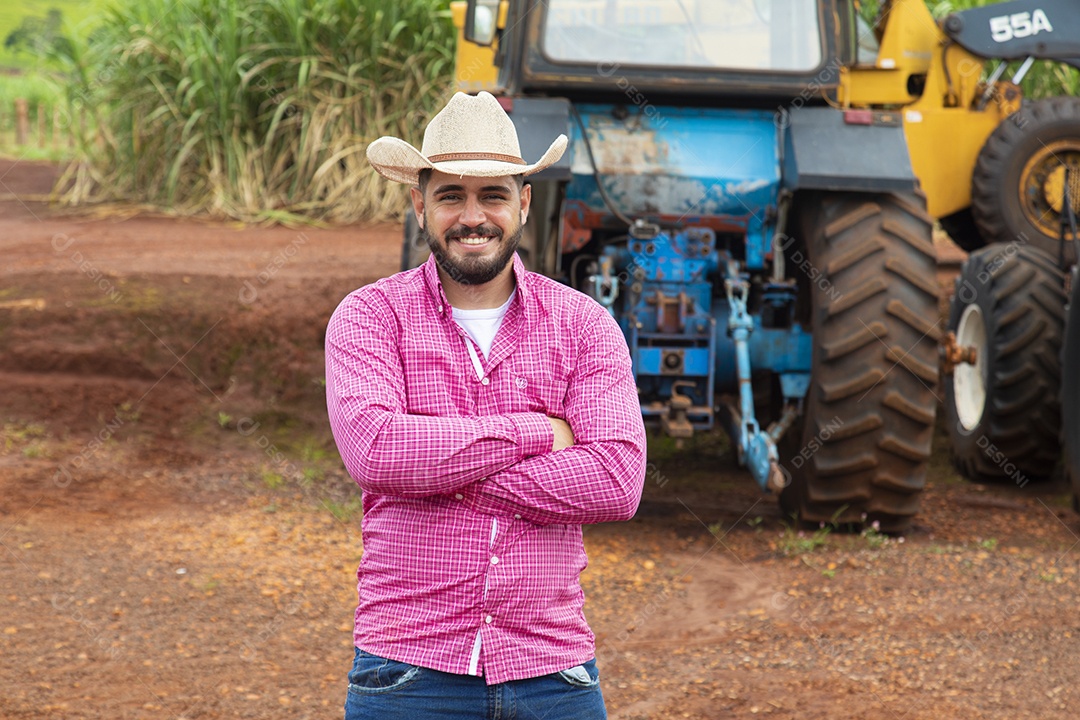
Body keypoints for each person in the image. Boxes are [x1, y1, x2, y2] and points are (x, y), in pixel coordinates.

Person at [325, 91, 647, 720]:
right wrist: (538, 432)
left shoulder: (583, 323)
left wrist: (441, 467)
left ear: (523, 203)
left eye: (493, 195)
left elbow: (616, 481)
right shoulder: (369, 317)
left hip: (554, 674)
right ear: (420, 204)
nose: (473, 217)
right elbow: (379, 454)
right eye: (451, 196)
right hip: (409, 672)